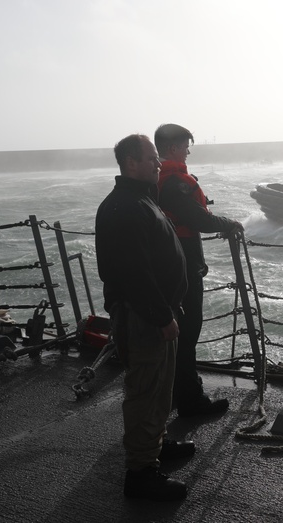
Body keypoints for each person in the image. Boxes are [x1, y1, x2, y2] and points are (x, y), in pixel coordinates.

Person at [95, 134, 194, 501]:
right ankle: (141, 473)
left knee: (158, 388)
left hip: (153, 312)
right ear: (130, 163)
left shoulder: (139, 200)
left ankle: (155, 443)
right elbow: (134, 273)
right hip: (143, 317)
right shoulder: (126, 208)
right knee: (145, 391)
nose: (158, 164)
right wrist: (161, 316)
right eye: (152, 158)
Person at [154, 123, 244, 417]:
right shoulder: (174, 183)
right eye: (185, 146)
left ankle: (178, 393)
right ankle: (191, 402)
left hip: (168, 262)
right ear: (172, 149)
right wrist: (228, 224)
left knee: (179, 335)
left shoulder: (158, 180)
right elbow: (198, 219)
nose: (188, 151)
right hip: (181, 267)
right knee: (187, 332)